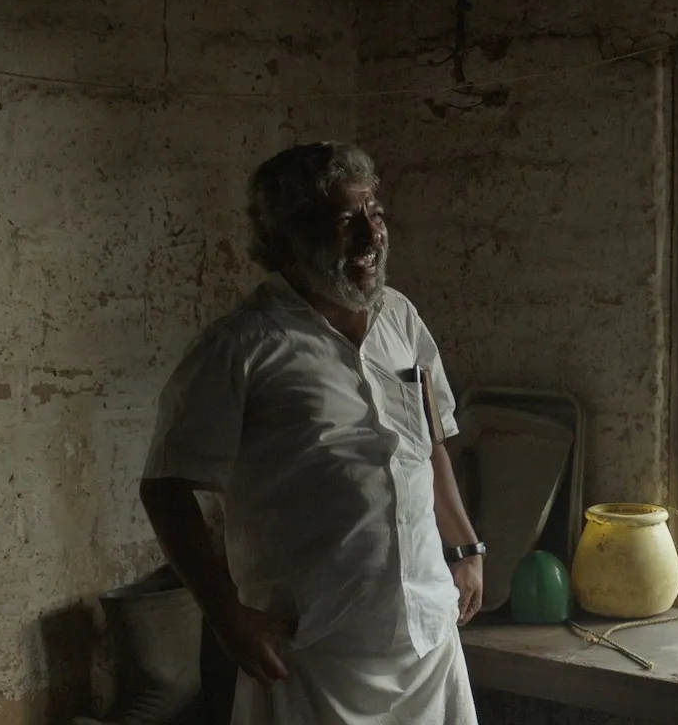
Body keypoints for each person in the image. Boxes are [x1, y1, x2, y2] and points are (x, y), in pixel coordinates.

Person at [139, 142, 485, 725]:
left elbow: (429, 446)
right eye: (345, 221)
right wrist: (227, 617)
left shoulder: (400, 318)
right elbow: (164, 489)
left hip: (427, 639)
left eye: (375, 213)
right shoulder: (242, 347)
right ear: (286, 241)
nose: (371, 237)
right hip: (315, 655)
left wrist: (467, 548)